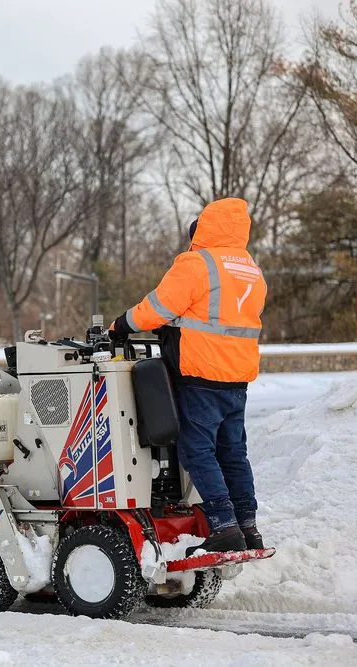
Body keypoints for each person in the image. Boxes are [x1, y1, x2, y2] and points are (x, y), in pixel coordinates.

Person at [108, 197, 267, 554]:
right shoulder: (250, 270)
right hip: (236, 379)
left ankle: (224, 526)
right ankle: (248, 526)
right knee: (233, 453)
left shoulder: (196, 264)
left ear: (203, 229)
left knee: (197, 452)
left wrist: (120, 325)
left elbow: (156, 309)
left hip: (200, 375)